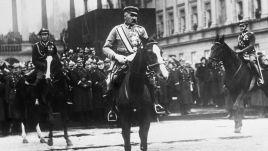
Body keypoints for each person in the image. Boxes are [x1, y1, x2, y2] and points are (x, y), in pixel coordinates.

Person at [103, 6, 165, 117]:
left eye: (136, 15)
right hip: (122, 61)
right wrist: (116, 56)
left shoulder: (141, 30)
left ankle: (155, 104)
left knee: (152, 79)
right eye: (131, 15)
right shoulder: (117, 30)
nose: (134, 18)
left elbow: (147, 46)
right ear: (125, 15)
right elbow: (105, 48)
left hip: (139, 60)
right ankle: (112, 109)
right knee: (112, 80)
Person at [236, 21, 264, 85]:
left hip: (251, 53)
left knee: (252, 61)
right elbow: (239, 46)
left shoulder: (251, 34)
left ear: (246, 26)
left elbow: (251, 46)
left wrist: (242, 51)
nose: (241, 28)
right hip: (242, 54)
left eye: (242, 26)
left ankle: (259, 78)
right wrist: (238, 51)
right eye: (240, 26)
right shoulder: (239, 36)